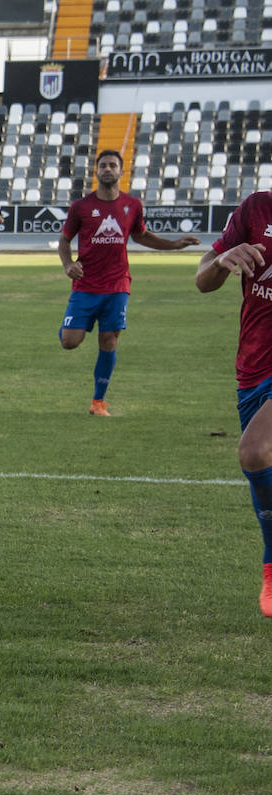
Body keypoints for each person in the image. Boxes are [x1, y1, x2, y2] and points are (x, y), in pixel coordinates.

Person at [57, 149, 200, 417]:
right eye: (103, 165)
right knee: (69, 342)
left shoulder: (132, 205)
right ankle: (69, 327)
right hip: (86, 285)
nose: (107, 169)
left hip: (118, 284)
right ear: (96, 171)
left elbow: (141, 236)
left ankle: (98, 402)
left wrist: (174, 245)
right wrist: (68, 265)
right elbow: (64, 240)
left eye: (112, 165)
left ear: (121, 171)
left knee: (109, 341)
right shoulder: (81, 207)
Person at [195, 189, 272, 616]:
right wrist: (220, 264)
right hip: (253, 370)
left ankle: (270, 566)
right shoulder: (256, 208)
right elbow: (201, 279)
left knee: (254, 450)